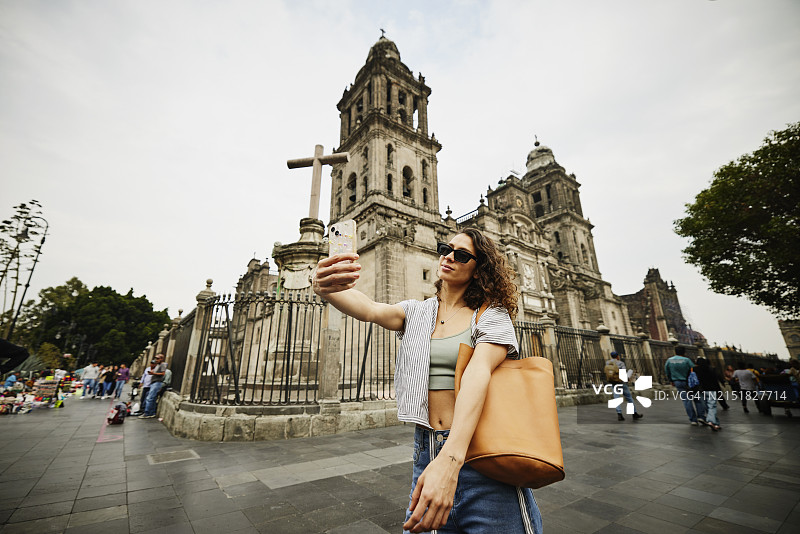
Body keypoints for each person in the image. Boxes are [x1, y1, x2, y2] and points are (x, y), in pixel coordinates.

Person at [313, 228, 543, 534]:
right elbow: (369, 309)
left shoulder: (490, 315)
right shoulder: (418, 312)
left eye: (461, 255)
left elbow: (479, 374)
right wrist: (323, 287)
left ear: (478, 270)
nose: (448, 256)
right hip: (428, 452)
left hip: (481, 457)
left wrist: (451, 460)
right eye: (445, 249)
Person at [665, 346, 707, 425]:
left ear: (675, 352)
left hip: (677, 382)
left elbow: (667, 371)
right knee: (697, 399)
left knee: (686, 401)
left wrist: (671, 380)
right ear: (684, 352)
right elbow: (694, 370)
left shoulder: (669, 360)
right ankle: (701, 417)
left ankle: (693, 420)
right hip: (690, 382)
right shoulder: (687, 360)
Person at [606, 351, 643, 421]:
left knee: (616, 398)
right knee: (629, 398)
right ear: (617, 356)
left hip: (613, 383)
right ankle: (634, 413)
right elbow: (623, 374)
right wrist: (628, 376)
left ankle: (619, 414)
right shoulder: (620, 363)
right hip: (621, 382)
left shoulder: (607, 363)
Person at [694, 357, 723, 431]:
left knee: (706, 406)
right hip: (711, 390)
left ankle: (715, 423)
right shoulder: (711, 369)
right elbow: (715, 381)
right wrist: (719, 391)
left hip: (700, 390)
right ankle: (712, 422)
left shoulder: (694, 370)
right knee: (712, 406)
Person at [140, 354, 167, 419]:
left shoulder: (163, 365)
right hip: (154, 382)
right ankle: (152, 413)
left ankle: (147, 413)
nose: (156, 360)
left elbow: (163, 374)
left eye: (158, 358)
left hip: (157, 382)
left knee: (150, 398)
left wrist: (153, 373)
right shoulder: (157, 365)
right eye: (156, 358)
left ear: (161, 359)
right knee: (152, 398)